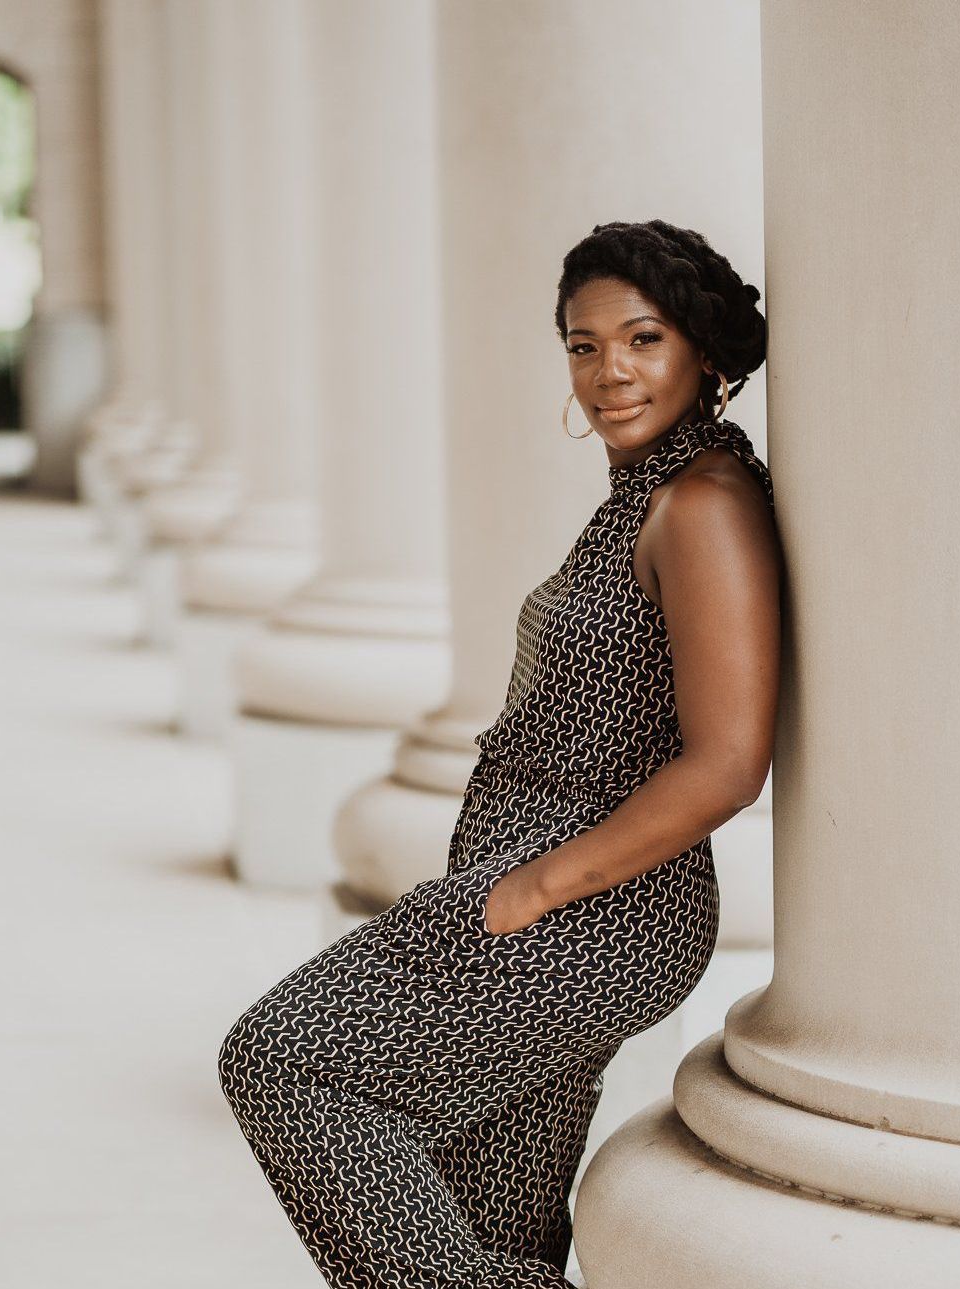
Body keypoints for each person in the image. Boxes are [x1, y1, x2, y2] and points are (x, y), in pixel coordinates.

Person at [217, 218, 783, 1288]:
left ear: (703, 352)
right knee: (492, 1226)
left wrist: (528, 890)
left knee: (285, 1061)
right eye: (582, 345)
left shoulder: (702, 505)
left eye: (642, 338)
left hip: (591, 910)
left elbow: (726, 761)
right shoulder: (643, 496)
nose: (608, 370)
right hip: (536, 893)